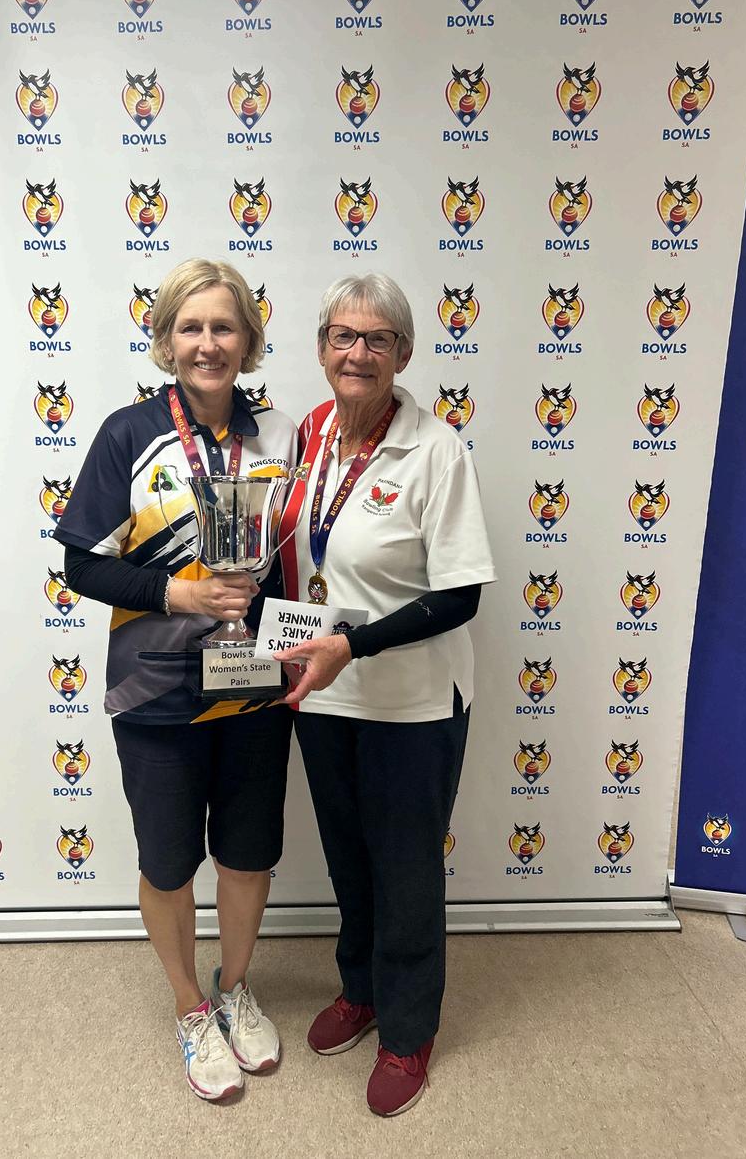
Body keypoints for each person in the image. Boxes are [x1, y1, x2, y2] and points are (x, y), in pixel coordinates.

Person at [53, 259, 297, 1102]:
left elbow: (292, 560)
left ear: (247, 340)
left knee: (249, 853)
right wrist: (177, 592)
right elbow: (81, 563)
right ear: (166, 340)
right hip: (155, 690)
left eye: (223, 327)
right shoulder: (128, 433)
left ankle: (236, 987)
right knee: (167, 864)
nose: (207, 344)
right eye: (190, 328)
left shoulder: (278, 437)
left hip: (254, 683)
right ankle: (192, 1007)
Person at [273, 273, 495, 1117]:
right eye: (343, 336)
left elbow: (460, 595)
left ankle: (407, 1031)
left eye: (377, 339)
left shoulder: (436, 450)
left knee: (405, 870)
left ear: (403, 354)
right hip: (324, 697)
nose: (357, 353)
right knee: (348, 859)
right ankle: (360, 990)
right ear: (321, 347)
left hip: (409, 702)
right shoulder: (309, 434)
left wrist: (352, 645)